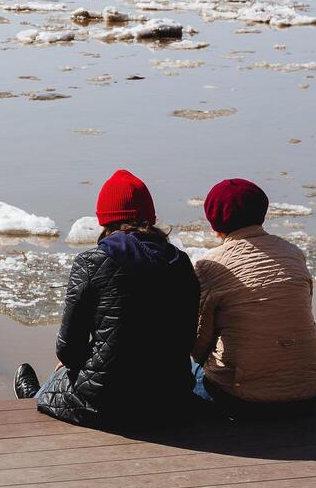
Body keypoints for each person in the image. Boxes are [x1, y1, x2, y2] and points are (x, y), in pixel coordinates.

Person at [15, 169, 202, 429]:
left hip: (106, 403)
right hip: (169, 398)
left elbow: (69, 348)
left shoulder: (91, 262)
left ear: (105, 220)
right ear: (150, 217)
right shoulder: (179, 262)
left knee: (59, 379)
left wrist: (71, 365)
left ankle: (34, 395)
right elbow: (186, 338)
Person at [191, 178, 316, 419]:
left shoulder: (210, 265)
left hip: (243, 399)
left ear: (215, 222)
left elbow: (199, 343)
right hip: (307, 393)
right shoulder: (293, 254)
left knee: (189, 369)